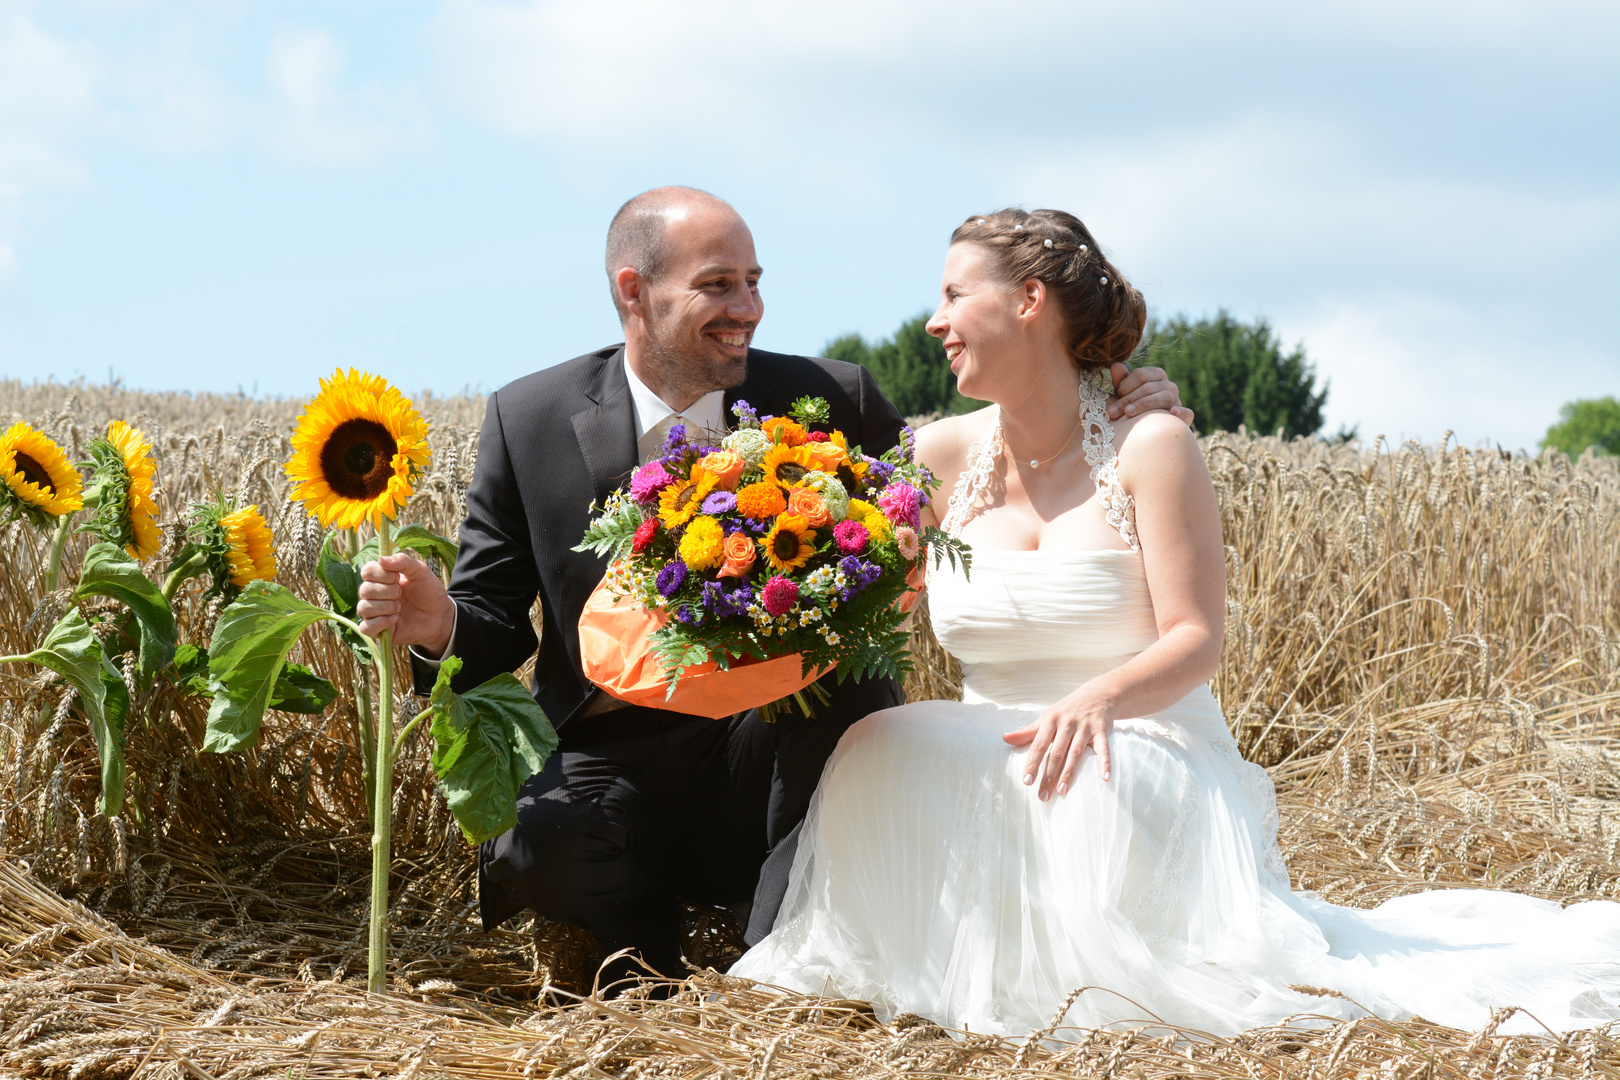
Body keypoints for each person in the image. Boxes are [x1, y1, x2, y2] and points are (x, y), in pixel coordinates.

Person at [730, 207, 1620, 1036]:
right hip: (989, 735)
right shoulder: (935, 456)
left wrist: (1100, 699)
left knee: (1080, 783)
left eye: (956, 294)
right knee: (875, 744)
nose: (936, 320)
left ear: (1030, 302)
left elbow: (1198, 639)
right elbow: (816, 547)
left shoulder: (1151, 444)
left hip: (1141, 740)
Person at [351, 188, 1189, 990]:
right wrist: (437, 624)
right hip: (610, 752)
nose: (747, 307)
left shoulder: (832, 397)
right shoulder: (527, 420)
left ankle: (781, 960)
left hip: (776, 745)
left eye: (754, 283)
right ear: (634, 292)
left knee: (852, 678)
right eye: (718, 285)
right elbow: (493, 622)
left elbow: (998, 460)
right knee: (545, 841)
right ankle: (643, 966)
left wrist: (1114, 397)